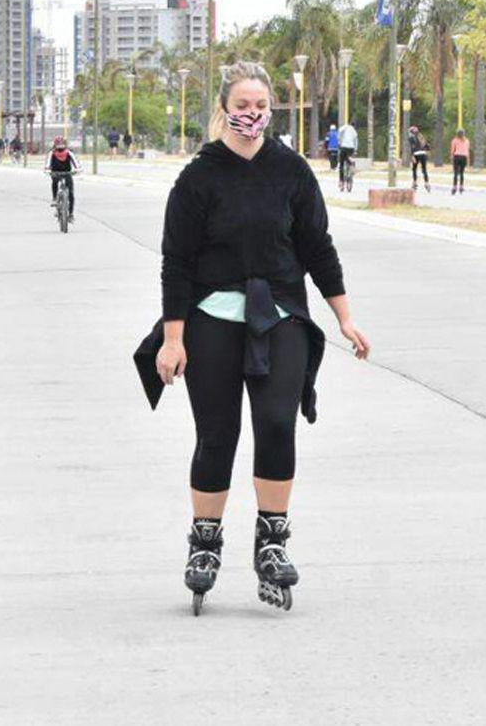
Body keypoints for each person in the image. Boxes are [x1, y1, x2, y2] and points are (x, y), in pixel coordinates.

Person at [132, 61, 371, 616]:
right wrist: (173, 340)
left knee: (276, 422)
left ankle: (271, 542)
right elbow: (177, 264)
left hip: (280, 315)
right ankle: (205, 543)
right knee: (217, 434)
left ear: (271, 109)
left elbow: (318, 249)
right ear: (224, 107)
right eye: (242, 106)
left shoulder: (290, 171)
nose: (252, 115)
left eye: (261, 106)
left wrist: (344, 318)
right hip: (211, 317)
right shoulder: (198, 177)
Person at [44, 136, 81, 221]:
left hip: (67, 173)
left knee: (71, 193)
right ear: (55, 145)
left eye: (62, 144)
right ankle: (54, 198)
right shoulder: (52, 153)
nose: (60, 146)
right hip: (55, 172)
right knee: (54, 181)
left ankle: (71, 214)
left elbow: (76, 162)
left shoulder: (69, 153)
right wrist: (47, 169)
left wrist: (77, 169)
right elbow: (48, 163)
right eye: (58, 144)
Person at [337, 120, 358, 191]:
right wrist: (355, 150)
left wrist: (339, 141)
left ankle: (341, 181)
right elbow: (356, 142)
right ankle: (351, 164)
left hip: (344, 147)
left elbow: (339, 131)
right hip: (351, 148)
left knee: (341, 164)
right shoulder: (355, 132)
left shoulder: (345, 127)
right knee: (349, 158)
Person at [408, 125, 430, 191]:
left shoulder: (411, 138)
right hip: (423, 154)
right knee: (424, 169)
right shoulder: (421, 136)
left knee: (414, 169)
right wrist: (427, 151)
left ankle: (414, 182)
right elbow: (426, 145)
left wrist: (412, 156)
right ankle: (427, 183)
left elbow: (411, 147)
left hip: (416, 154)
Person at [450, 128, 470, 195]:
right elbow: (467, 151)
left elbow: (452, 150)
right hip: (464, 157)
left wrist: (452, 158)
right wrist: (468, 160)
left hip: (457, 156)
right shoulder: (467, 141)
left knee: (455, 173)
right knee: (461, 173)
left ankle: (454, 187)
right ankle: (461, 187)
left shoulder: (454, 140)